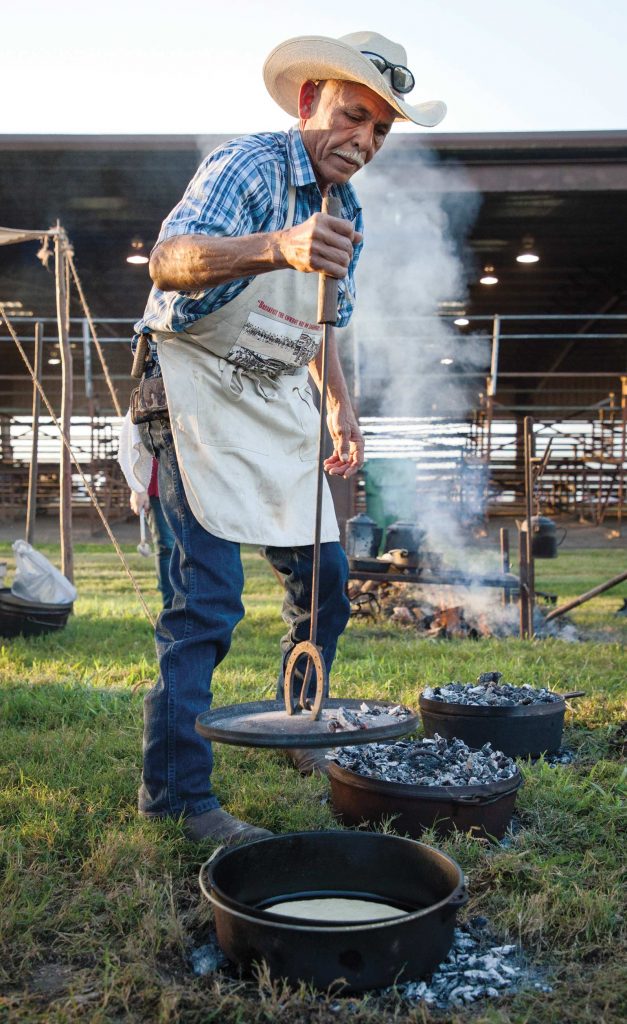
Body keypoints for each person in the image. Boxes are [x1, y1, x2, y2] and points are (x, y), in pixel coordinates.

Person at [129, 30, 446, 845]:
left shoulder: (349, 212)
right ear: (310, 101)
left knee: (327, 581)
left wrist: (338, 404)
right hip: (191, 391)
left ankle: (295, 722)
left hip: (272, 399)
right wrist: (277, 245)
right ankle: (176, 797)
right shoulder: (251, 165)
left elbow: (320, 328)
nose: (365, 141)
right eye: (353, 116)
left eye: (380, 130)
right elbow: (169, 261)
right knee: (203, 604)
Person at [129, 459, 175, 609]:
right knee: (167, 548)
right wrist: (137, 487)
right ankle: (172, 610)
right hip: (156, 478)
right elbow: (133, 438)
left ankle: (196, 613)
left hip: (194, 478)